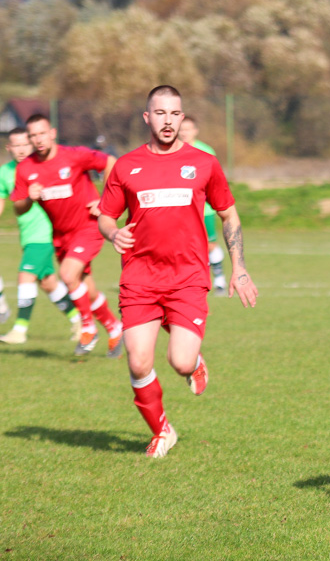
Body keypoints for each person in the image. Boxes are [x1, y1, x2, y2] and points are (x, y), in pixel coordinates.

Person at [98, 85, 258, 458]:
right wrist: (112, 233)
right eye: (161, 113)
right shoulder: (126, 165)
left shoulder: (204, 163)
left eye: (175, 114)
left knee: (180, 361)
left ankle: (193, 362)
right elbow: (106, 216)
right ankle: (161, 429)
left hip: (187, 277)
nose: (168, 121)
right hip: (138, 277)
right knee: (138, 361)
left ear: (182, 118)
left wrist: (240, 269)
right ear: (147, 117)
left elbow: (228, 213)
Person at [10, 114, 122, 356]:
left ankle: (88, 328)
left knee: (67, 274)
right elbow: (19, 207)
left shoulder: (74, 155)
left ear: (52, 133)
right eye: (33, 136)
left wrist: (106, 200)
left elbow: (112, 162)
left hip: (89, 227)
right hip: (61, 236)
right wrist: (30, 197)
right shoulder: (26, 168)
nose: (38, 140)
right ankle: (115, 328)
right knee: (85, 288)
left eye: (41, 134)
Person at [0, 128, 81, 344]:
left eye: (25, 144)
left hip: (45, 233)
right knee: (48, 283)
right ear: (9, 148)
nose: (21, 149)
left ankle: (19, 329)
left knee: (25, 276)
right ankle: (79, 319)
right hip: (27, 236)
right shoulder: (5, 172)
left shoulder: (42, 166)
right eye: (16, 145)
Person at [179, 116, 227, 296]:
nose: (184, 132)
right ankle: (191, 282)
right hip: (182, 209)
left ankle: (220, 280)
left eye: (188, 129)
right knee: (184, 246)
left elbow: (215, 180)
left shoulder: (206, 151)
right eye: (181, 129)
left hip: (204, 209)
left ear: (195, 131)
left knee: (209, 245)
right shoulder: (172, 151)